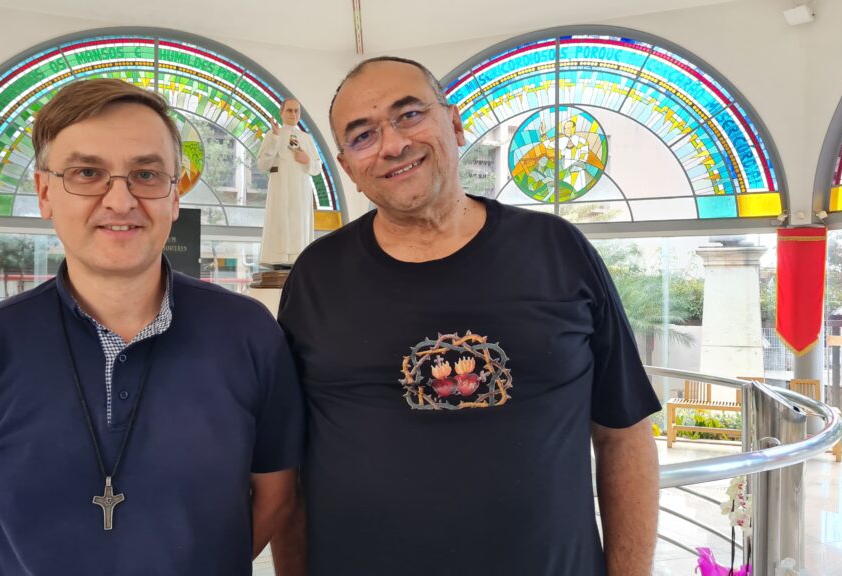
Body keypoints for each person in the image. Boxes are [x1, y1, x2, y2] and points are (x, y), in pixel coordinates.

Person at [0, 79, 304, 575]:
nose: (120, 200)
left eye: (146, 174)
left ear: (175, 196)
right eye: (88, 173)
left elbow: (276, 496)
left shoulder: (247, 332)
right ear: (45, 192)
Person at [277, 57, 661, 575]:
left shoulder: (557, 251)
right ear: (348, 168)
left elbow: (623, 434)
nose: (392, 144)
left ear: (455, 123)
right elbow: (286, 468)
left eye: (409, 114)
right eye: (363, 136)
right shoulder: (317, 276)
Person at [256, 98, 322, 269]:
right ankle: (279, 256)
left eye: (296, 111)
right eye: (289, 110)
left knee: (299, 221)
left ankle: (298, 256)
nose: (293, 114)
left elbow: (317, 167)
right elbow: (263, 164)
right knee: (281, 220)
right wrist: (276, 139)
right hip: (281, 188)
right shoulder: (273, 135)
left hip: (301, 189)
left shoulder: (305, 138)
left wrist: (307, 159)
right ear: (281, 112)